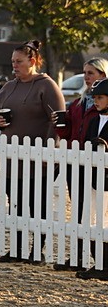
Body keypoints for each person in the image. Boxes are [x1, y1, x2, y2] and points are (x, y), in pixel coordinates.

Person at [0, 40, 64, 263]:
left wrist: (48, 151)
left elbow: (59, 121)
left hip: (38, 161)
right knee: (16, 206)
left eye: (19, 61)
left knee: (37, 207)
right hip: (12, 160)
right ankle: (18, 248)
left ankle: (36, 251)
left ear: (32, 61)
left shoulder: (46, 86)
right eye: (13, 61)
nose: (14, 65)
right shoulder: (8, 87)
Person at [53, 57, 108, 271]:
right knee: (79, 212)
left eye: (91, 73)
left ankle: (98, 261)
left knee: (95, 214)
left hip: (97, 166)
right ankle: (78, 256)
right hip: (77, 161)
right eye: (84, 72)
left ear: (103, 75)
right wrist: (61, 125)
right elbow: (70, 131)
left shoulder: (99, 104)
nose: (86, 77)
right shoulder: (79, 101)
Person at [75, 78, 108, 280]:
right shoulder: (95, 120)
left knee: (104, 222)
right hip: (93, 177)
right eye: (95, 97)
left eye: (101, 98)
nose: (96, 101)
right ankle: (100, 263)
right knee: (93, 221)